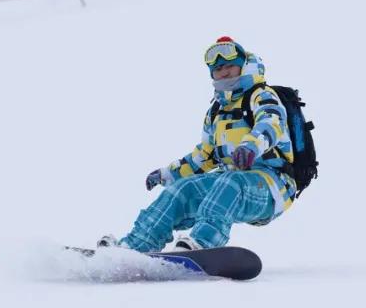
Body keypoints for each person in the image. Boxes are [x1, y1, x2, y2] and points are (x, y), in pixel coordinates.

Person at [99, 37, 298, 252]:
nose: (224, 72)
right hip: (230, 184)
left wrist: (251, 146)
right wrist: (167, 174)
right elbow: (204, 156)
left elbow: (271, 121)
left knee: (229, 181)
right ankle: (134, 247)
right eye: (218, 68)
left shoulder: (262, 95)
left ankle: (201, 244)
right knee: (183, 189)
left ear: (243, 66)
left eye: (231, 65)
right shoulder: (216, 111)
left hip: (272, 184)